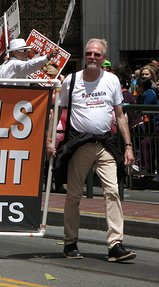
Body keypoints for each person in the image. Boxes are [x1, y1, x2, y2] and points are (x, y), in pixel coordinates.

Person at [47, 38, 136, 262]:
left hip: (105, 144)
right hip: (79, 144)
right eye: (89, 53)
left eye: (97, 54)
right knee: (74, 195)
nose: (92, 57)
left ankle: (115, 244)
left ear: (104, 58)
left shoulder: (112, 80)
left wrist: (127, 145)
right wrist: (49, 140)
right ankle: (70, 243)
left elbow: (119, 115)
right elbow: (57, 110)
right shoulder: (72, 80)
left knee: (112, 191)